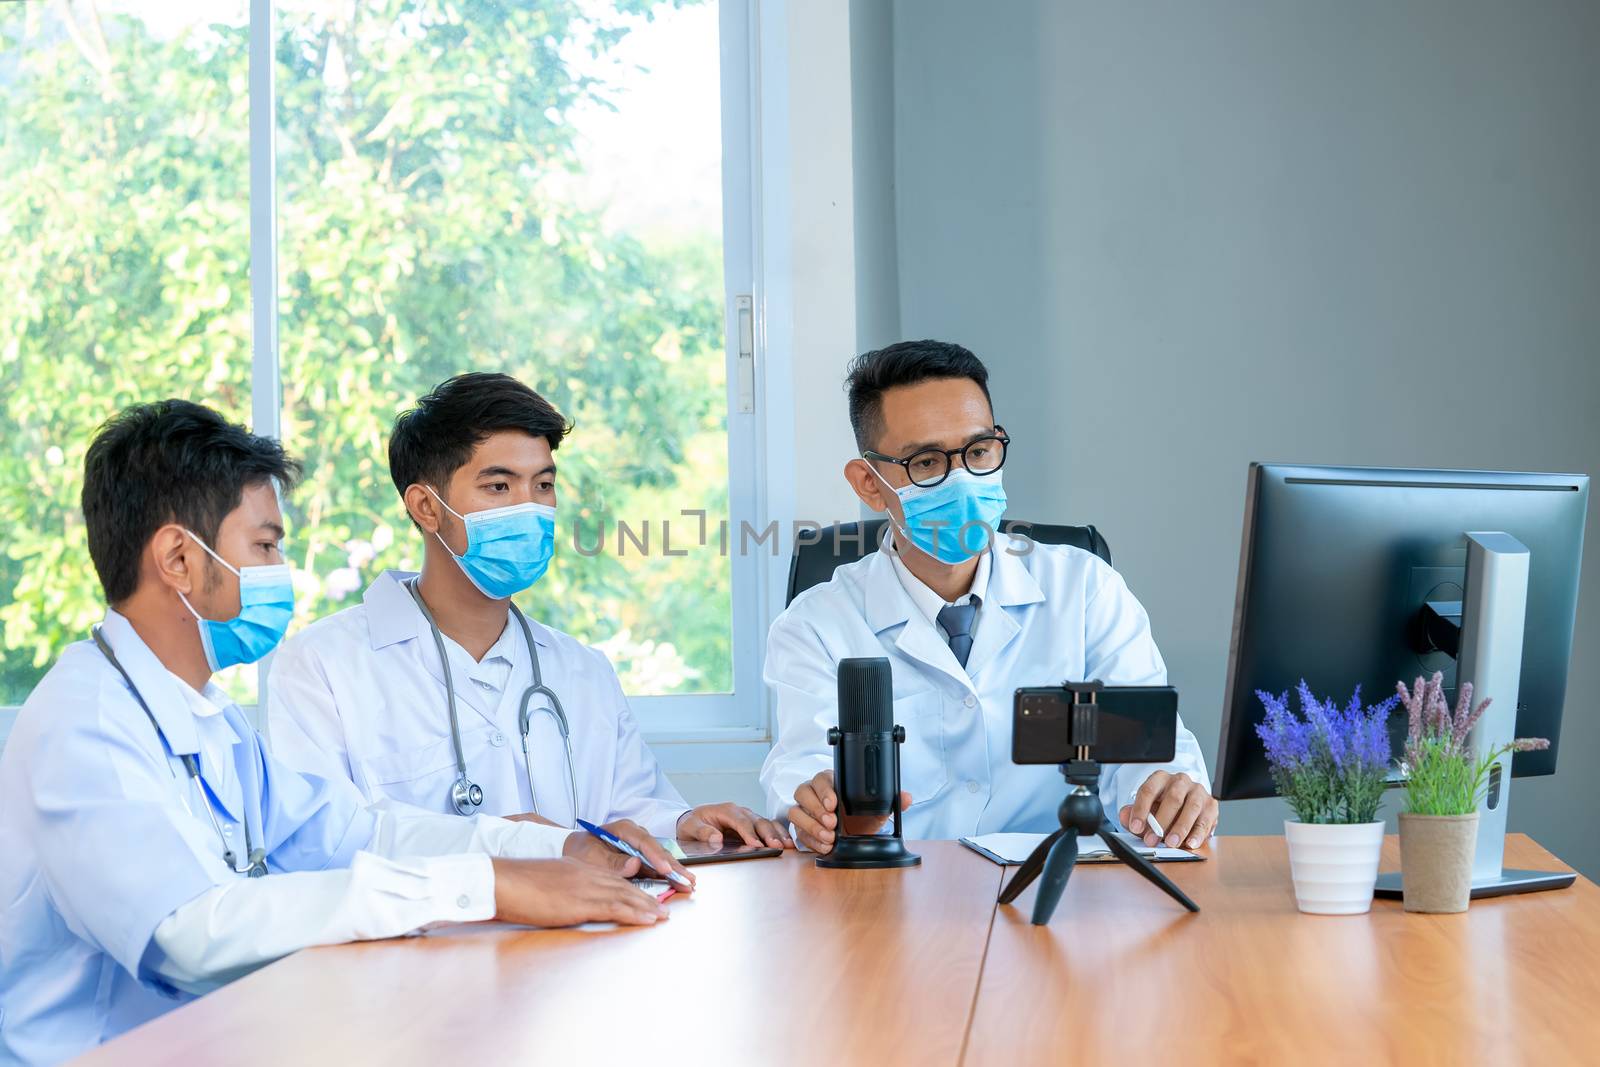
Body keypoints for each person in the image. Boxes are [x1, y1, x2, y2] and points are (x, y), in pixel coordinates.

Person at [0, 401, 676, 1067]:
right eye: (264, 545)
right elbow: (190, 933)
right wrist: (483, 887)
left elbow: (357, 831)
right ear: (178, 557)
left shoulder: (208, 717)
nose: (279, 569)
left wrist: (553, 847)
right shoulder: (84, 723)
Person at [265, 373, 789, 854]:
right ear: (426, 508)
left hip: (575, 943)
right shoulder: (322, 666)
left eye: (543, 485)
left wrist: (682, 822)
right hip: (417, 949)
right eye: (499, 487)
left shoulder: (582, 670)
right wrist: (503, 841)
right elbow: (319, 840)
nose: (530, 507)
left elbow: (626, 812)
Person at [760, 340, 1218, 854]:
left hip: (1062, 887)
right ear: (869, 484)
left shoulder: (1085, 589)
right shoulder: (817, 625)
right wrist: (818, 800)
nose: (963, 480)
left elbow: (1144, 749)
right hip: (900, 894)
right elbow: (803, 763)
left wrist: (1163, 793)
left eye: (978, 452)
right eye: (926, 463)